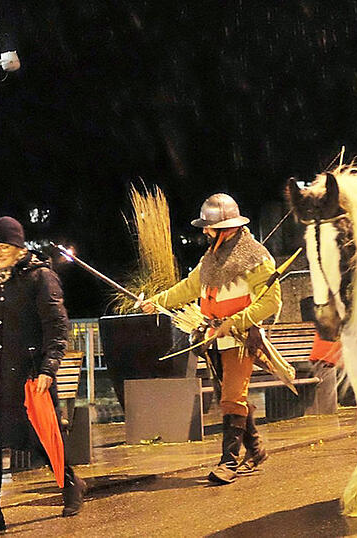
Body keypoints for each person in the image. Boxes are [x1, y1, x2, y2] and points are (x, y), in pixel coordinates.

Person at [141, 193, 282, 484]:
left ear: (225, 227)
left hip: (242, 337)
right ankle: (255, 449)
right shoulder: (211, 258)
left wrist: (235, 322)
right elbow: (189, 287)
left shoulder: (257, 258)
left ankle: (227, 463)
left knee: (232, 397)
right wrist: (157, 301)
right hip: (213, 337)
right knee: (230, 398)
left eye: (209, 227)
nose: (205, 231)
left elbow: (271, 303)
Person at [0, 217, 86, 535]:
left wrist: (49, 367)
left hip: (28, 374)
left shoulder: (40, 277)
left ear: (19, 248)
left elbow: (56, 326)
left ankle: (71, 484)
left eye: (4, 247)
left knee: (42, 437)